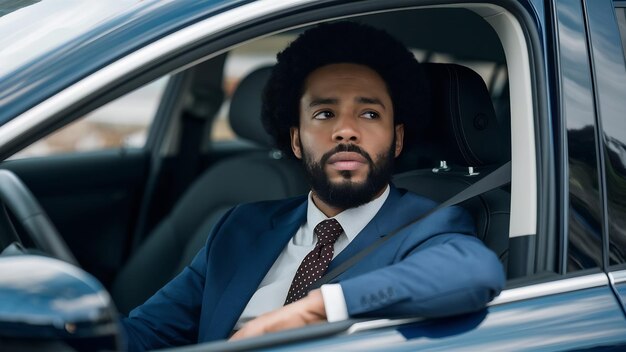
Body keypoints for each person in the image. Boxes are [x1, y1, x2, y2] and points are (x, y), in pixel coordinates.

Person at [120, 21, 505, 351]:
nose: (346, 131)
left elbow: (475, 270)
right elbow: (143, 333)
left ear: (397, 139)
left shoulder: (428, 224)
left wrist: (313, 309)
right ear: (296, 140)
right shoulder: (240, 226)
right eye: (324, 113)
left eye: (369, 113)